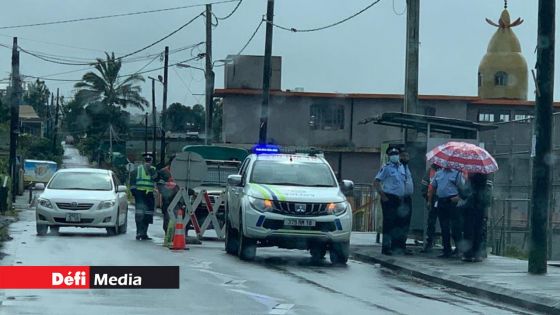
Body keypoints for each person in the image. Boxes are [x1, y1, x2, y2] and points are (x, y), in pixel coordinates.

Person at [374, 147, 406, 256]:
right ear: (389, 156)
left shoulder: (402, 167)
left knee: (398, 223)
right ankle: (386, 247)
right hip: (389, 198)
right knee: (388, 223)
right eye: (392, 154)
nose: (395, 156)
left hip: (399, 199)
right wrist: (382, 196)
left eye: (396, 154)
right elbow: (376, 182)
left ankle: (395, 246)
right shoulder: (386, 168)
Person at [429, 166, 464, 258]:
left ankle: (459, 249)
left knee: (456, 227)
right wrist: (430, 200)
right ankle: (446, 250)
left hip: (452, 201)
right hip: (441, 201)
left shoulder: (457, 173)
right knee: (444, 227)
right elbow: (433, 186)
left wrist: (459, 197)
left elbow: (463, 188)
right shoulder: (438, 173)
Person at [460, 173, 490, 262]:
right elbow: (487, 199)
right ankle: (477, 254)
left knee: (468, 231)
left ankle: (468, 254)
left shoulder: (469, 181)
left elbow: (464, 193)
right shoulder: (485, 184)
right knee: (478, 231)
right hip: (480, 210)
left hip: (470, 209)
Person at [130, 153, 158, 240]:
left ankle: (144, 233)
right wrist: (135, 194)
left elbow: (156, 179)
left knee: (148, 214)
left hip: (148, 195)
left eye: (149, 161)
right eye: (147, 161)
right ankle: (139, 233)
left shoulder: (153, 169)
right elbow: (132, 184)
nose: (148, 162)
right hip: (141, 195)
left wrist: (152, 172)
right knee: (139, 214)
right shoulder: (137, 170)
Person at [394, 149, 413, 255]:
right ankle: (397, 246)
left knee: (406, 223)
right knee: (399, 223)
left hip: (407, 198)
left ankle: (402, 245)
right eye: (404, 156)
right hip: (399, 198)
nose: (406, 158)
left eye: (407, 156)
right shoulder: (397, 167)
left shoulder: (407, 167)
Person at [157, 155, 180, 234]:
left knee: (179, 215)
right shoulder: (163, 172)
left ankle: (177, 233)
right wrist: (165, 192)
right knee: (167, 216)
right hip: (167, 199)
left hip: (179, 198)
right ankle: (168, 233)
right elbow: (159, 185)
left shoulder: (182, 172)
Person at [420, 163, 440, 252]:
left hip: (445, 199)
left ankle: (449, 247)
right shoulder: (430, 170)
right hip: (433, 199)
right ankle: (429, 243)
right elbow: (424, 185)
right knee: (431, 222)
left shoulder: (448, 170)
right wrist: (428, 198)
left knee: (447, 223)